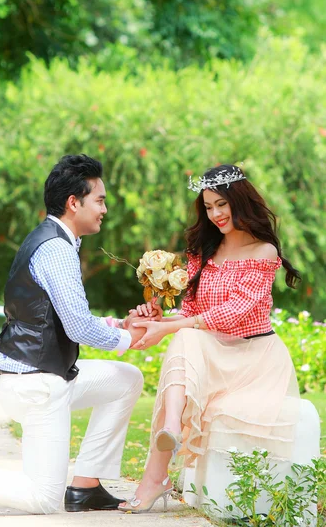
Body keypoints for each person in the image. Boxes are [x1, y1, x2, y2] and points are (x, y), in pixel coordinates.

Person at [0, 154, 146, 519]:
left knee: (126, 379)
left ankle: (85, 485)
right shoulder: (56, 249)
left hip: (47, 375)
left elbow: (64, 317)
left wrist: (119, 326)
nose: (105, 210)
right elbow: (79, 327)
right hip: (36, 385)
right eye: (100, 200)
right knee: (43, 499)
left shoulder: (54, 239)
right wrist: (133, 340)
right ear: (73, 203)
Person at [119, 164, 301, 513]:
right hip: (210, 351)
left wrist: (172, 328)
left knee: (184, 336)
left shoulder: (263, 252)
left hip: (252, 357)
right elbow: (190, 310)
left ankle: (157, 470)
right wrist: (154, 320)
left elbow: (236, 312)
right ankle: (169, 435)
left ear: (240, 201)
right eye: (208, 207)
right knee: (184, 337)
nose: (215, 214)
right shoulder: (204, 252)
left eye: (221, 204)